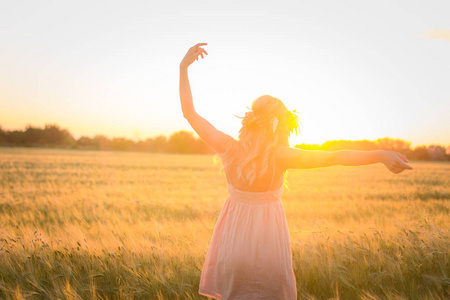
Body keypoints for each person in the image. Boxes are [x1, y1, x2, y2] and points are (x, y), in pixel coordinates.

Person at [179, 43, 413, 300]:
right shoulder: (280, 156)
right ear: (280, 127)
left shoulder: (229, 148)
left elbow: (190, 113)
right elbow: (336, 156)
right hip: (268, 242)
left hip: (232, 241)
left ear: (250, 121)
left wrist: (183, 67)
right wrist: (380, 155)